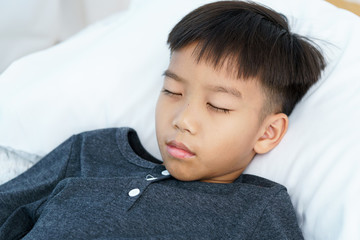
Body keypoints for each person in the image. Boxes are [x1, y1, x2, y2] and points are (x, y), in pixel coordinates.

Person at [0, 1, 325, 239]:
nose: (183, 120)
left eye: (218, 105)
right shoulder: (91, 152)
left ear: (267, 132)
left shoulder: (257, 212)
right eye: (172, 91)